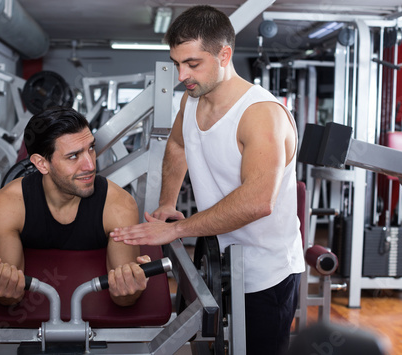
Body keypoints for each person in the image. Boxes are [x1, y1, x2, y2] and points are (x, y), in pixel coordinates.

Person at [110, 5, 305, 354]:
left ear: (224, 55)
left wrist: (176, 230)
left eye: (193, 63)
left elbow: (258, 201)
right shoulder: (192, 99)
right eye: (177, 63)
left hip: (266, 271)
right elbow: (177, 144)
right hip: (217, 255)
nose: (182, 73)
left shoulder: (260, 115)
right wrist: (168, 204)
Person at [0, 106, 150, 307]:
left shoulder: (118, 205)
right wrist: (3, 286)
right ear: (41, 163)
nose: (90, 165)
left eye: (91, 148)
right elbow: (9, 296)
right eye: (73, 156)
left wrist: (131, 287)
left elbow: (123, 298)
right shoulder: (8, 204)